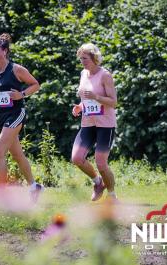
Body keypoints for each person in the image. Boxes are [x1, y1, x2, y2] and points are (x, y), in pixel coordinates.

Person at [0, 33, 43, 198]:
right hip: (1, 116)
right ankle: (34, 186)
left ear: (4, 52)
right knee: (17, 155)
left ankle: (1, 196)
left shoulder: (16, 69)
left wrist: (22, 94)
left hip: (16, 113)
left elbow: (35, 85)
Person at [71, 43, 118, 202]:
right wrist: (80, 106)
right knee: (77, 158)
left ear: (94, 58)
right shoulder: (83, 74)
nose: (82, 62)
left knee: (101, 163)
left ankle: (112, 195)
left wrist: (96, 97)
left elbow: (113, 102)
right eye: (80, 59)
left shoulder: (105, 75)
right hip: (88, 122)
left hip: (105, 124)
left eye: (85, 58)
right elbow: (86, 97)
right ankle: (98, 183)